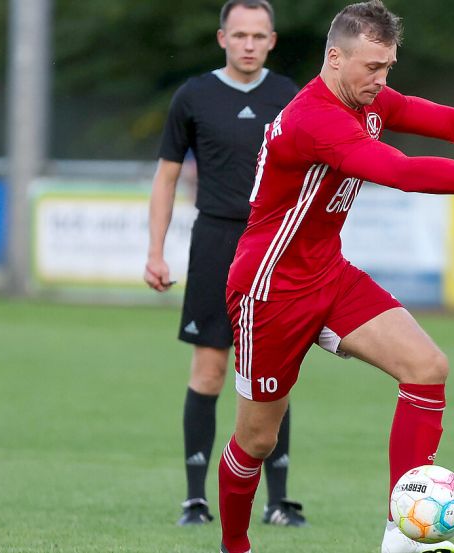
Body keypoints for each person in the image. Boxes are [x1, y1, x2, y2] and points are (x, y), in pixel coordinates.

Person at [215, 2, 454, 553]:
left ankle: (403, 535)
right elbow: (400, 171)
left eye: (388, 67)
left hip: (328, 275)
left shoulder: (367, 98)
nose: (381, 80)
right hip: (269, 291)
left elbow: (443, 120)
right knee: (257, 439)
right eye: (372, 67)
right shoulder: (313, 118)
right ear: (335, 57)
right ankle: (234, 546)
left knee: (426, 367)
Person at [144, 0, 305, 528]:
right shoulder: (193, 96)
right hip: (214, 243)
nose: (249, 44)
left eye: (259, 35)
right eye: (240, 35)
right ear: (222, 39)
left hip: (274, 246)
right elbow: (167, 176)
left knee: (272, 375)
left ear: (273, 40)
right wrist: (155, 250)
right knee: (210, 371)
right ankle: (196, 499)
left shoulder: (291, 98)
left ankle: (278, 502)